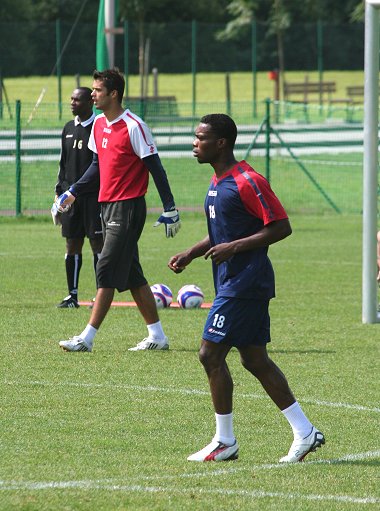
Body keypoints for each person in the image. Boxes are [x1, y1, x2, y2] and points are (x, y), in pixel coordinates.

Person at [168, 114, 325, 463]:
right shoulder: (217, 181)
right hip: (232, 281)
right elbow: (226, 229)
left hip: (245, 282)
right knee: (255, 359)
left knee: (210, 354)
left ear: (221, 143)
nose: (194, 143)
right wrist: (193, 252)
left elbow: (281, 226)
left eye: (200, 138)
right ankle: (304, 431)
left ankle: (225, 440)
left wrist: (234, 248)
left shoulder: (247, 180)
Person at [56, 68, 180, 352]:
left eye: (97, 90)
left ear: (113, 94)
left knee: (106, 267)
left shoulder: (134, 125)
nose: (92, 94)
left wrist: (170, 206)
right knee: (132, 274)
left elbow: (156, 168)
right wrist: (73, 192)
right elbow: (97, 167)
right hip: (106, 206)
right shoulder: (99, 124)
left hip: (128, 208)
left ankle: (86, 338)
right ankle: (157, 336)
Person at [55, 87, 103, 308]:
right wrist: (58, 193)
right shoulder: (67, 128)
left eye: (77, 99)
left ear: (89, 103)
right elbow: (63, 164)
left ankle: (100, 295)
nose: (72, 102)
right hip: (69, 199)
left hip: (93, 198)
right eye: (71, 98)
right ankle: (72, 295)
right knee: (72, 244)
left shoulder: (98, 128)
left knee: (97, 245)